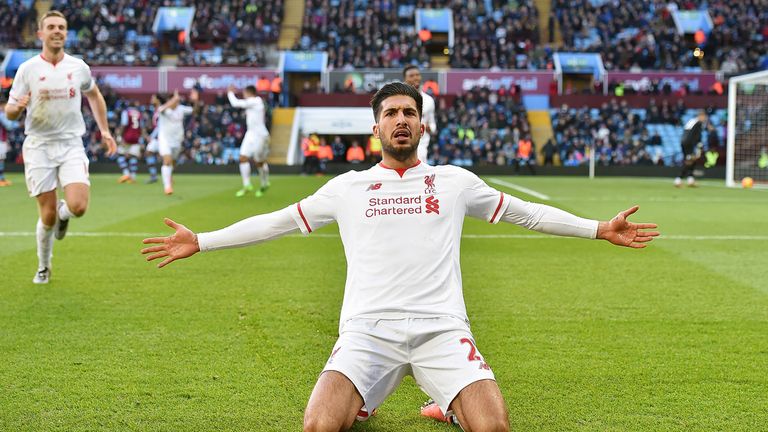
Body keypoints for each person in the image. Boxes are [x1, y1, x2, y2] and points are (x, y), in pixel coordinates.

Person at [141, 82, 659, 431]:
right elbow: (275, 221)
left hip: (442, 329)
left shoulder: (454, 182)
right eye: (391, 114)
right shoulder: (347, 187)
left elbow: (526, 213)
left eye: (410, 112)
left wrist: (598, 230)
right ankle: (376, 396)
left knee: (495, 426)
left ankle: (448, 402)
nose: (401, 120)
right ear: (377, 129)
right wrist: (202, 240)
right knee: (318, 425)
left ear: (423, 125)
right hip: (367, 333)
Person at [5, 10, 117, 284]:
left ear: (66, 33)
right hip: (39, 146)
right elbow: (9, 111)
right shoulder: (28, 69)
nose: (57, 31)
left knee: (78, 206)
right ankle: (44, 266)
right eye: (51, 27)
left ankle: (65, 215)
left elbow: (94, 95)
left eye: (62, 27)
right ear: (41, 34)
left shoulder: (78, 67)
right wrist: (15, 109)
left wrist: (104, 130)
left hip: (70, 144)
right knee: (47, 215)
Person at [227, 84, 270, 197]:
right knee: (242, 157)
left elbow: (235, 103)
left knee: (259, 162)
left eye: (245, 93)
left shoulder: (256, 100)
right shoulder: (252, 103)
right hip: (250, 133)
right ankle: (247, 185)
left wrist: (230, 92)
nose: (244, 96)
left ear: (249, 93)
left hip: (261, 135)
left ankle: (264, 183)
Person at [156, 89, 198, 195]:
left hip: (177, 140)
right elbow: (161, 110)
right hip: (164, 139)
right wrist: (173, 99)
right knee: (167, 160)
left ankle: (169, 175)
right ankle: (167, 187)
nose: (177, 102)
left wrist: (196, 101)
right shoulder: (163, 109)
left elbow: (194, 111)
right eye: (175, 100)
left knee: (173, 162)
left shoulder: (181, 109)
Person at [403, 65, 436, 164]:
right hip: (403, 142)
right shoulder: (399, 98)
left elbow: (432, 123)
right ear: (405, 79)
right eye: (411, 75)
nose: (415, 78)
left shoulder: (429, 100)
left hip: (421, 144)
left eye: (417, 75)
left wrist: (430, 128)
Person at [675, 110, 707, 187]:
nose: (705, 118)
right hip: (689, 143)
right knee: (689, 161)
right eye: (704, 116)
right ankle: (678, 179)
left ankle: (690, 179)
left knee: (692, 160)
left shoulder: (691, 121)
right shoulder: (698, 123)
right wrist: (699, 145)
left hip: (684, 142)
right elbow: (697, 136)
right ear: (700, 116)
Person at [116, 101, 143, 184]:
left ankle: (126, 174)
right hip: (136, 137)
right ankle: (133, 177)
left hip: (127, 136)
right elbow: (141, 127)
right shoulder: (139, 113)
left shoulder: (126, 112)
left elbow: (124, 124)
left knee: (120, 155)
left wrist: (119, 136)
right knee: (133, 157)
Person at [0, 97, 20, 186]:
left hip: (2, 139)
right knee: (0, 159)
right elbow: (9, 126)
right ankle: (1, 179)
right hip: (0, 139)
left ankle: (2, 178)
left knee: (1, 159)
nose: (5, 107)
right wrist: (19, 124)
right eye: (4, 105)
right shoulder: (1, 114)